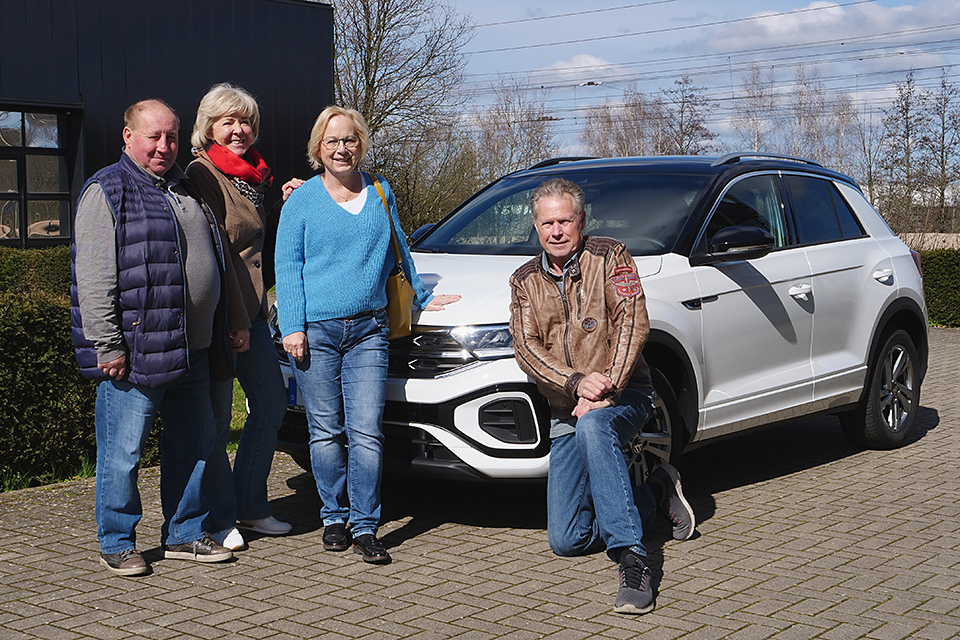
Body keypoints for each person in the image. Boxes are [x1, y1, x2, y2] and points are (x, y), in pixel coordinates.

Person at [274, 105, 459, 565]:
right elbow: (287, 267)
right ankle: (332, 515)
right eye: (332, 141)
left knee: (366, 433)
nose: (342, 148)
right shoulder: (301, 200)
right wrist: (292, 326)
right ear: (319, 148)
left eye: (350, 139)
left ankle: (364, 525)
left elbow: (400, 249)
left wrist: (418, 297)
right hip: (315, 331)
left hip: (369, 331)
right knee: (325, 432)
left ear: (361, 143)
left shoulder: (381, 190)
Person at [508, 177, 695, 614]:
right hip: (565, 406)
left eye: (565, 221)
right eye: (547, 222)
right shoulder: (523, 281)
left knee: (594, 422)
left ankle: (632, 559)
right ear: (535, 227)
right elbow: (525, 347)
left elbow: (634, 324)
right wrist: (577, 384)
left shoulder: (611, 257)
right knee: (566, 540)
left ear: (581, 221)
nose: (557, 230)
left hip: (627, 394)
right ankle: (655, 493)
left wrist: (606, 385)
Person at [71, 99, 234, 576]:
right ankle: (117, 540)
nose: (164, 146)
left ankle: (185, 532)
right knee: (122, 452)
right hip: (136, 351)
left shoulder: (184, 187)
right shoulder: (108, 189)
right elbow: (95, 276)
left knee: (193, 446)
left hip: (192, 347)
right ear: (128, 136)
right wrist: (107, 344)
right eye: (153, 136)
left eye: (171, 137)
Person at [185, 83, 291, 552]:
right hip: (226, 316)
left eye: (245, 120)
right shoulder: (202, 173)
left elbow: (248, 230)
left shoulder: (252, 176)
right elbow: (218, 248)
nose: (238, 130)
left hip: (254, 313)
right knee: (214, 421)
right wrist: (233, 321)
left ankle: (250, 505)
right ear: (208, 127)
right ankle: (217, 517)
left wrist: (277, 201)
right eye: (227, 121)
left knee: (270, 405)